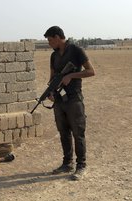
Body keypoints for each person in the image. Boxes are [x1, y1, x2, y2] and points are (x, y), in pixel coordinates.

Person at [44, 26, 95, 180]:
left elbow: (91, 71)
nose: (49, 43)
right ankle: (67, 163)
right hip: (59, 100)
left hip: (73, 98)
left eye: (50, 40)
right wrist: (50, 92)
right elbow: (52, 77)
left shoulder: (76, 50)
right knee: (63, 132)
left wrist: (71, 75)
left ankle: (81, 165)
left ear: (58, 37)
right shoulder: (53, 56)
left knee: (78, 132)